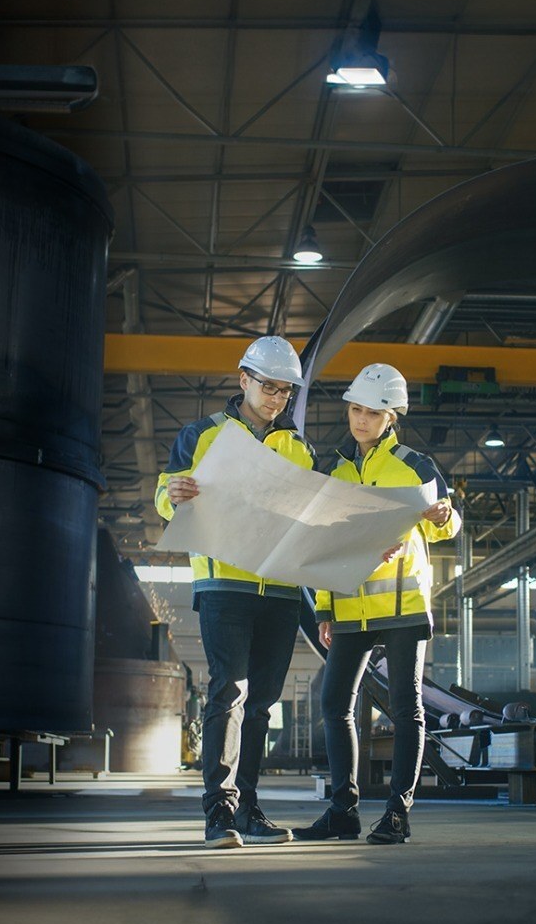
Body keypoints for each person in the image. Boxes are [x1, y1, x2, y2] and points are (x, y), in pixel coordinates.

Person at [155, 336, 315, 849]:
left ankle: (247, 809)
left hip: (283, 590)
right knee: (229, 693)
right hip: (226, 584)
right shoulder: (201, 435)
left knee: (263, 705)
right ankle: (218, 813)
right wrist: (171, 495)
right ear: (243, 378)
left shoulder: (300, 449)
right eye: (269, 386)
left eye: (286, 391)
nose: (277, 398)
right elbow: (167, 494)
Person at [292, 362, 460, 845]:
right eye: (355, 409)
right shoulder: (334, 470)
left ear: (392, 417)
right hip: (347, 605)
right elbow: (322, 545)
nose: (361, 419)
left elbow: (445, 526)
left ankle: (397, 813)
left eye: (373, 412)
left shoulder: (415, 465)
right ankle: (342, 811)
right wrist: (323, 607)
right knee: (334, 703)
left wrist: (446, 515)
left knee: (406, 708)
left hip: (402, 604)